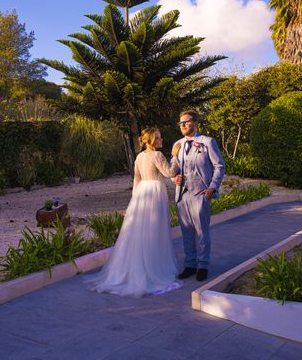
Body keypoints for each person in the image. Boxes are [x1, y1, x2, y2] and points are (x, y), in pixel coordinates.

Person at [86, 128, 182, 298]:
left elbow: (136, 179)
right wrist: (175, 156)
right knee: (154, 230)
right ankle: (152, 267)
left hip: (142, 193)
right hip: (154, 192)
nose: (162, 140)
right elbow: (169, 173)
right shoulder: (157, 155)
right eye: (159, 138)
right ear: (151, 140)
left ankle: (139, 265)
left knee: (140, 231)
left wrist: (134, 199)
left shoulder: (139, 157)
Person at [173, 110, 225, 282]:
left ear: (195, 123)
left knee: (201, 231)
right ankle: (190, 264)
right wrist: (174, 177)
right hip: (182, 194)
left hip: (200, 192)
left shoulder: (207, 142)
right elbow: (173, 168)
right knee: (186, 231)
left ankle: (202, 265)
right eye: (180, 123)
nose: (182, 126)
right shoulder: (178, 145)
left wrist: (212, 188)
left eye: (186, 122)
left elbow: (219, 166)